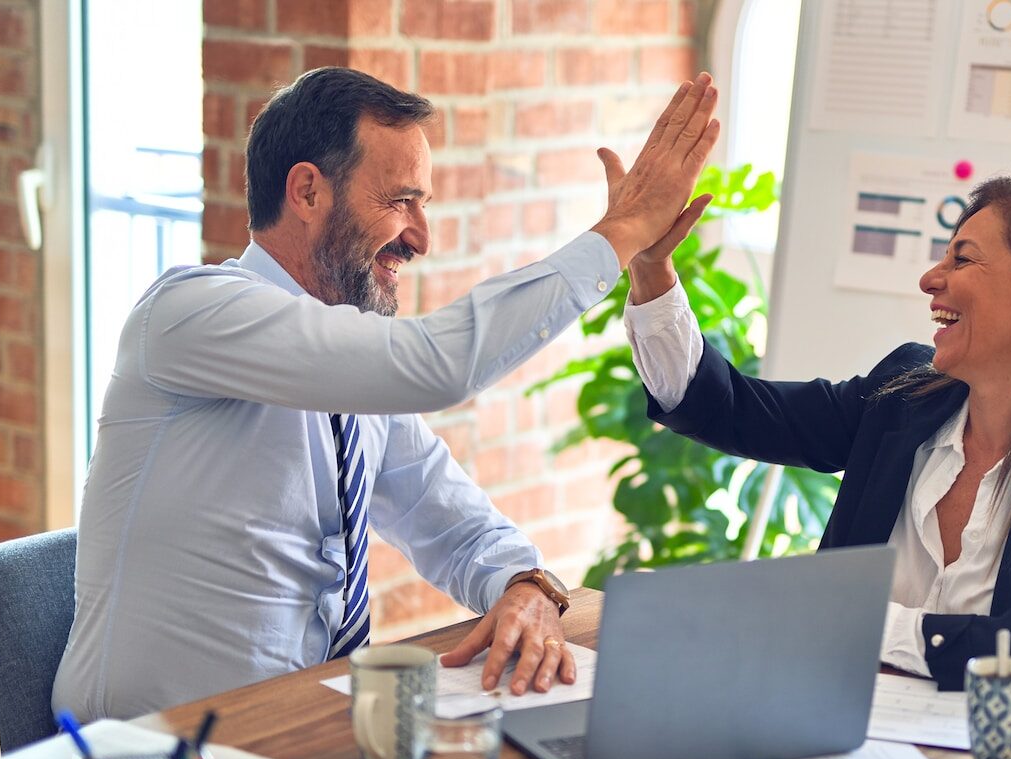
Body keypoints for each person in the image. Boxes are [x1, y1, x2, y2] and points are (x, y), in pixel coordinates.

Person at [53, 67, 720, 721]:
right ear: (308, 193)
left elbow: (452, 521)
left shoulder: (351, 377)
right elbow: (438, 365)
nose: (421, 238)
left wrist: (527, 585)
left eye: (423, 205)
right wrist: (623, 232)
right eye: (401, 200)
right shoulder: (190, 313)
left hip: (301, 734)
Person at [623, 174, 1011, 706]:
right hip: (837, 730)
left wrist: (851, 620)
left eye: (961, 258)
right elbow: (729, 409)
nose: (930, 279)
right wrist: (652, 268)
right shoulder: (904, 397)